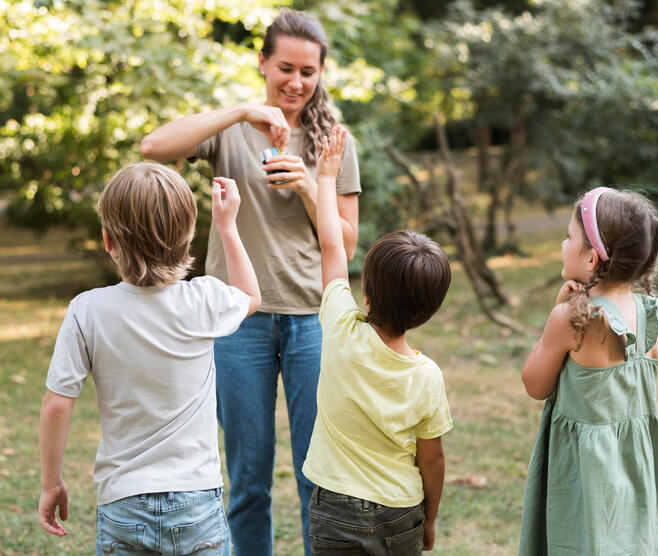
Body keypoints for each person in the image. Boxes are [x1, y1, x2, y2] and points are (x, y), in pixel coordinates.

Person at [139, 9, 360, 555]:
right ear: (262, 62)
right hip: (238, 322)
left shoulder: (333, 141)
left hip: (312, 319)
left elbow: (348, 244)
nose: (296, 82)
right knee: (248, 478)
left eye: (309, 71)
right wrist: (240, 109)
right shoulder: (230, 130)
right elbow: (152, 148)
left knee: (318, 476)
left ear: (321, 73)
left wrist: (312, 187)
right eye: (285, 67)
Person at [38, 162, 261, 556]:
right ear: (189, 238)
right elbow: (250, 296)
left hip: (122, 501)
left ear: (107, 239)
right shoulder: (203, 300)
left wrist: (50, 483)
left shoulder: (87, 310)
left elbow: (57, 404)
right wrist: (227, 226)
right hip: (197, 499)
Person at [301, 126, 453, 555]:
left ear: (366, 293)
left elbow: (332, 244)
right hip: (401, 511)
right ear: (428, 311)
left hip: (334, 507)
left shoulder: (340, 327)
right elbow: (432, 460)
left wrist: (326, 177)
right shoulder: (427, 376)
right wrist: (431, 517)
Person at [518, 187, 658, 555]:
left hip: (585, 473)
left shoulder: (570, 320)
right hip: (635, 467)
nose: (564, 243)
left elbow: (534, 383)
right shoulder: (648, 317)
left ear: (592, 259)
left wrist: (558, 309)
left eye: (569, 237)